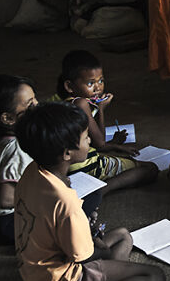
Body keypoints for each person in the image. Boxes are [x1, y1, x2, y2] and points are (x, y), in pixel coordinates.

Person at [13, 102, 165, 281]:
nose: (90, 144)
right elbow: (85, 256)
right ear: (66, 153)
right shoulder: (65, 201)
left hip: (33, 273)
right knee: (154, 277)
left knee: (124, 235)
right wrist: (95, 240)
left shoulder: (33, 172)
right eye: (85, 139)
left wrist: (86, 228)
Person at [0, 75, 101, 244]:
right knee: (89, 197)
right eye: (29, 104)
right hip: (9, 226)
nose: (37, 105)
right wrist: (46, 198)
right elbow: (4, 199)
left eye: (35, 99)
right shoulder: (17, 148)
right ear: (8, 118)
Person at [54, 50, 158, 193]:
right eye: (90, 83)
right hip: (82, 164)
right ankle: (102, 190)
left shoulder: (59, 100)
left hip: (64, 164)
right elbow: (100, 144)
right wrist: (101, 109)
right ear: (69, 86)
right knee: (150, 168)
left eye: (101, 81)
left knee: (115, 156)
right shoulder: (81, 104)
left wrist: (115, 144)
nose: (98, 88)